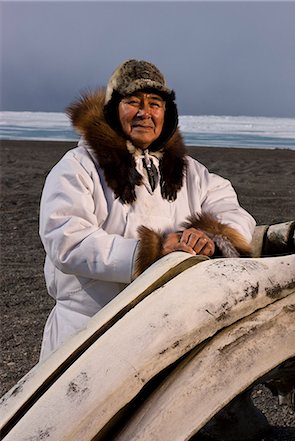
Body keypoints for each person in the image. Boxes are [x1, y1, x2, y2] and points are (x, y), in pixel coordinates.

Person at [39, 59, 256, 361]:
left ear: (166, 113)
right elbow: (65, 238)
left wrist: (211, 237)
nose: (145, 113)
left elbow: (232, 211)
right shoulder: (78, 168)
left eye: (155, 103)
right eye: (133, 102)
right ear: (113, 109)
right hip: (88, 334)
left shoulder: (190, 173)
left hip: (166, 333)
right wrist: (151, 251)